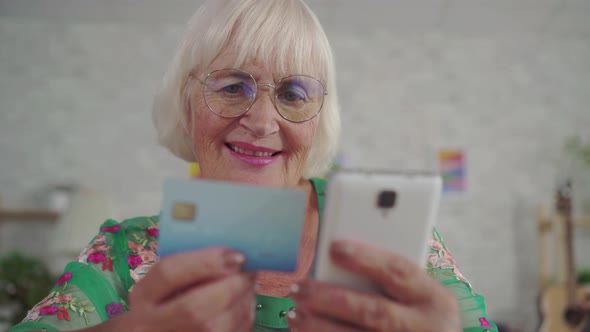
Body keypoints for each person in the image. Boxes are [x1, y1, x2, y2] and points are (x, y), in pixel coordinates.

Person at [10, 0, 497, 331]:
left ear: (319, 118)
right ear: (187, 107)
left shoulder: (396, 245)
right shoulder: (122, 252)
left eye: (292, 93)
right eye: (231, 86)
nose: (262, 121)